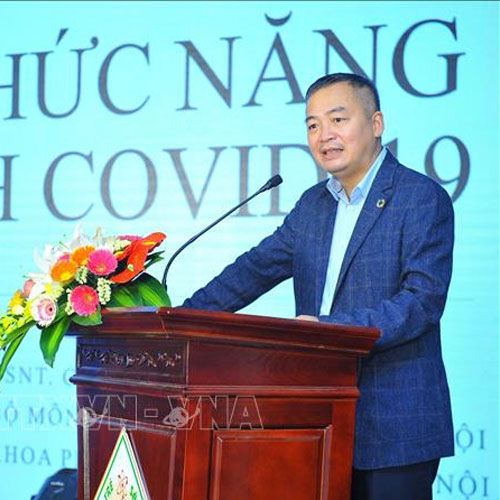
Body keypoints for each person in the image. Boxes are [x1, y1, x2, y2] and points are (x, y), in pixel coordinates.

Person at [183, 73, 454, 499]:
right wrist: (180, 320)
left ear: (376, 123)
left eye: (338, 120)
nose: (324, 135)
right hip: (318, 421)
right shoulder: (313, 204)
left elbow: (420, 304)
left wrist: (328, 333)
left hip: (396, 421)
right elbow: (252, 270)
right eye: (313, 124)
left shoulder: (420, 197)